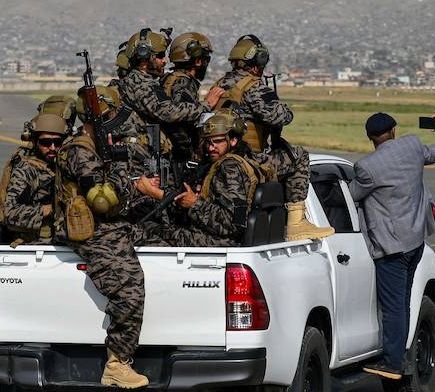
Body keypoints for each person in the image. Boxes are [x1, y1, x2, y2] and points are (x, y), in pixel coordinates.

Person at [55, 94, 152, 388]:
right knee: (130, 286)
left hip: (109, 225)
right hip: (89, 230)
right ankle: (117, 362)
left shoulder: (96, 147)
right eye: (109, 120)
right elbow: (100, 200)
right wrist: (122, 167)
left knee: (168, 236)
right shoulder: (80, 151)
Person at [348, 111, 435, 380]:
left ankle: (393, 362)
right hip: (416, 240)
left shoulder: (367, 167)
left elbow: (350, 195)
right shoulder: (413, 146)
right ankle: (401, 353)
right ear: (394, 130)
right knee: (402, 302)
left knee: (393, 306)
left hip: (391, 248)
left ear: (370, 138)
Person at [209, 34, 332, 242]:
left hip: (220, 155)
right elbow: (281, 117)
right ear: (257, 64)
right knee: (300, 156)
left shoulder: (220, 84)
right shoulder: (254, 87)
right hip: (250, 159)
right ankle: (296, 223)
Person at [138, 109, 273, 247]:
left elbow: (232, 223)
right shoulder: (244, 159)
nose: (211, 148)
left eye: (218, 141)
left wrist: (193, 203)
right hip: (219, 238)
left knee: (143, 230)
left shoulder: (230, 167)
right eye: (209, 142)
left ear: (233, 140)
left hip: (219, 242)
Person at [118, 27, 225, 131]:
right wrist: (207, 105)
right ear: (144, 59)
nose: (165, 60)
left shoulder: (139, 81)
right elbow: (167, 112)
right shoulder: (141, 84)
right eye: (160, 56)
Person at [0, 113, 67, 244]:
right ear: (35, 142)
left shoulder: (62, 165)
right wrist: (51, 209)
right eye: (46, 142)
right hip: (38, 241)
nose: (52, 148)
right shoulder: (27, 170)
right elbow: (10, 213)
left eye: (57, 142)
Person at [161, 31, 214, 167]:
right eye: (206, 59)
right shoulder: (183, 83)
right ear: (197, 61)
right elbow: (183, 116)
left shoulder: (169, 79)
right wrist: (207, 105)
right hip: (180, 159)